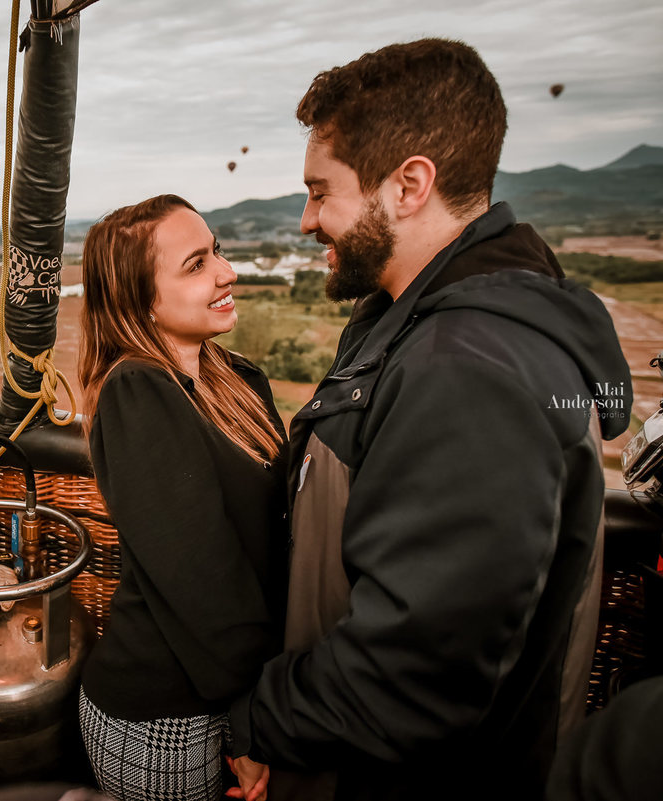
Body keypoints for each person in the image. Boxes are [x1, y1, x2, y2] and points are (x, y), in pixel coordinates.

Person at [226, 39, 632, 801]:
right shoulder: (408, 319)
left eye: (322, 191)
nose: (308, 219)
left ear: (410, 184)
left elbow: (414, 672)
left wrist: (258, 722)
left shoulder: (468, 368)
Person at [76, 194, 289, 801]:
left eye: (216, 250)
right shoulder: (138, 392)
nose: (227, 272)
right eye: (196, 264)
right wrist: (247, 728)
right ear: (139, 299)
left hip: (230, 690)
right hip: (166, 718)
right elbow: (203, 579)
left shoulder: (233, 379)